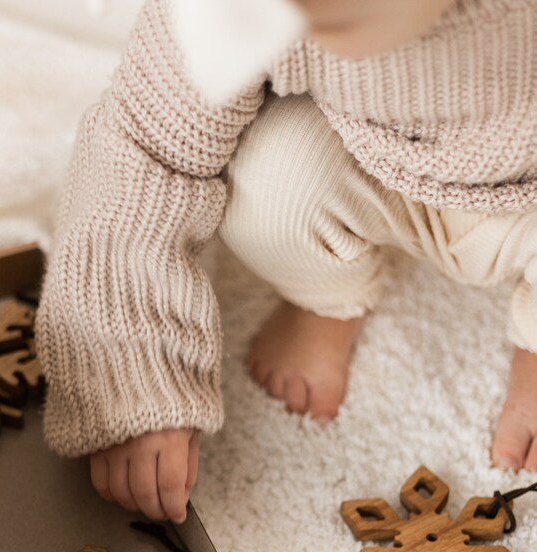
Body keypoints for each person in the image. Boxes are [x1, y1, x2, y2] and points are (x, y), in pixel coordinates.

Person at [36, 0, 537, 523]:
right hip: (372, 159)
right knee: (266, 184)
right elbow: (143, 149)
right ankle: (326, 295)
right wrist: (132, 366)